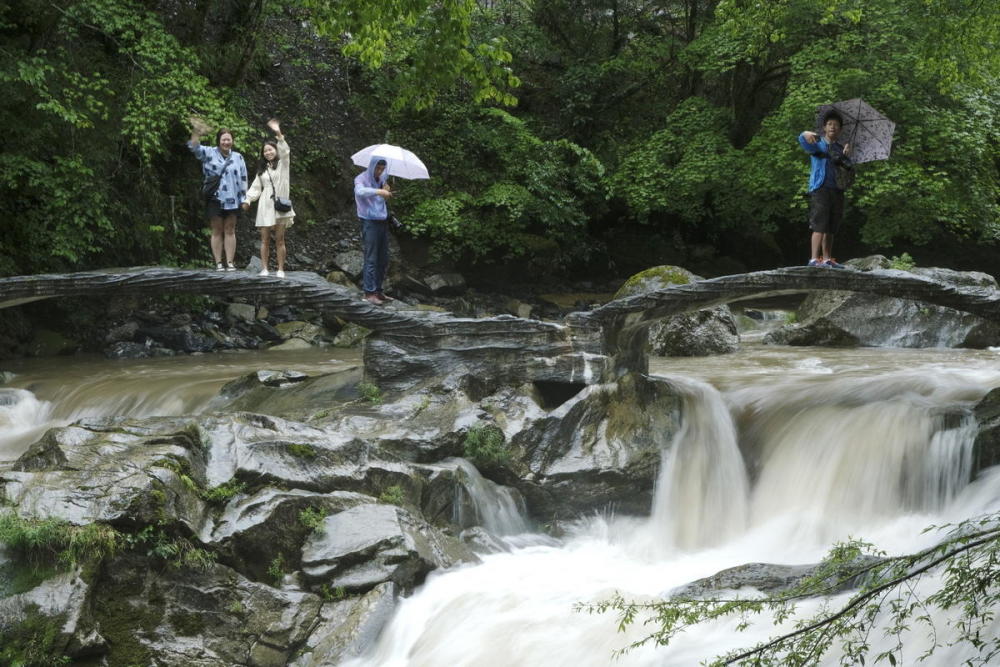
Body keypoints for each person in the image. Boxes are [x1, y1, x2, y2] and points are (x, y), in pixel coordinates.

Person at [188, 117, 248, 271]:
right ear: (218, 141)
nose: (226, 142)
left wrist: (244, 198)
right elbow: (194, 147)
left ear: (232, 141)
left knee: (230, 230)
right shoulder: (209, 153)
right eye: (223, 140)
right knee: (217, 230)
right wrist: (197, 131)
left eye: (228, 140)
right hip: (215, 198)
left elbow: (243, 179)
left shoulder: (238, 157)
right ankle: (218, 263)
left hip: (233, 199)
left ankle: (229, 262)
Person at [799, 110, 852, 269]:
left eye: (836, 125)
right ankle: (814, 259)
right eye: (830, 124)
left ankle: (827, 259)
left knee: (831, 226)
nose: (833, 127)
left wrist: (846, 155)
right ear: (824, 127)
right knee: (819, 224)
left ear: (840, 129)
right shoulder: (818, 143)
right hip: (820, 188)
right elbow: (803, 142)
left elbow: (847, 170)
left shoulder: (840, 148)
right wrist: (804, 133)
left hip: (837, 188)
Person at [242, 119, 295, 278]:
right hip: (265, 205)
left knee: (280, 240)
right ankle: (264, 268)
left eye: (271, 149)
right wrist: (248, 200)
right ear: (263, 154)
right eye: (265, 151)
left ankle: (280, 269)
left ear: (276, 150)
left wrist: (278, 133)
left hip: (280, 204)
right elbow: (256, 187)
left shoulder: (283, 165)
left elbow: (285, 150)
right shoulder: (262, 170)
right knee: (264, 240)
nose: (268, 153)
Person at [354, 156, 394, 305]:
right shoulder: (361, 178)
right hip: (369, 221)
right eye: (377, 168)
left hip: (382, 221)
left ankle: (378, 290)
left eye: (382, 169)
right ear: (372, 166)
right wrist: (378, 191)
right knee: (371, 258)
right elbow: (360, 192)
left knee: (383, 259)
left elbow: (380, 199)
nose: (380, 171)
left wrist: (386, 193)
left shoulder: (382, 179)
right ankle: (369, 292)